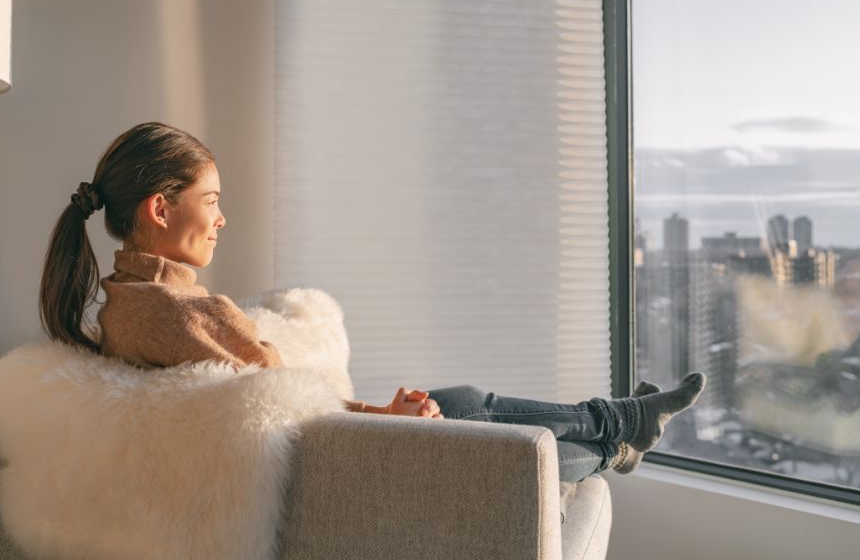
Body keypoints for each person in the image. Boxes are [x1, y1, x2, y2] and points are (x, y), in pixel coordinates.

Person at [39, 122, 706, 483]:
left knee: (466, 397)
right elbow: (290, 410)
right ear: (160, 208)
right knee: (511, 453)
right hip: (328, 465)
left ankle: (619, 419)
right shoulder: (186, 313)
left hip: (314, 448)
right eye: (210, 201)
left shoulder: (124, 303)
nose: (221, 219)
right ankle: (617, 439)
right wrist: (385, 417)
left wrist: (384, 410)